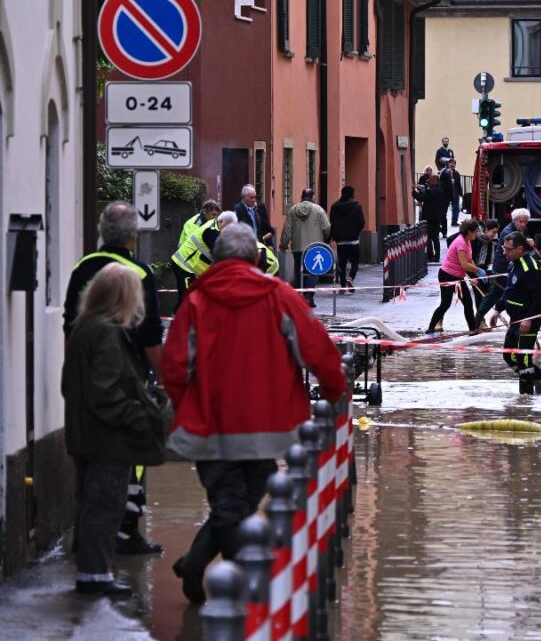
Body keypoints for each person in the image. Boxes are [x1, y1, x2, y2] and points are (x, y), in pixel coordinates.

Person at [163, 224, 346, 605]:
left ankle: (198, 567)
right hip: (268, 425)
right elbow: (315, 348)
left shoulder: (196, 300)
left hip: (210, 426)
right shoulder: (279, 295)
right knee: (239, 504)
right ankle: (243, 594)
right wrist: (333, 390)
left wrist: (187, 407)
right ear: (256, 258)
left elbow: (176, 366)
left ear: (216, 258)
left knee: (230, 504)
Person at [63, 201, 164, 556]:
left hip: (80, 379)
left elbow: (69, 326)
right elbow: (151, 336)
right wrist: (165, 384)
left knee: (88, 468)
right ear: (133, 235)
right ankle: (125, 530)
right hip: (126, 380)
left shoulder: (82, 268)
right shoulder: (136, 272)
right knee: (129, 460)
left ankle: (92, 542)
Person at [489, 231, 541, 394]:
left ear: (519, 249)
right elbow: (510, 291)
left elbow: (540, 298)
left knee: (524, 360)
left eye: (507, 249)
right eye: (504, 248)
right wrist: (498, 309)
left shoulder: (529, 267)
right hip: (515, 320)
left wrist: (529, 319)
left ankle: (526, 402)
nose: (504, 252)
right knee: (509, 356)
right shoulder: (513, 264)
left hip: (528, 321)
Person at [476, 209, 533, 328]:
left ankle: (513, 319)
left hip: (514, 266)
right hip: (502, 267)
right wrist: (527, 244)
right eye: (521, 221)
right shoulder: (508, 232)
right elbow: (518, 248)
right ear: (515, 220)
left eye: (525, 222)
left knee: (513, 292)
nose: (523, 224)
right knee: (494, 294)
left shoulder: (524, 229)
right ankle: (477, 320)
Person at [427, 219, 485, 334]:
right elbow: (464, 264)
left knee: (467, 302)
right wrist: (478, 270)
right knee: (445, 304)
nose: (477, 234)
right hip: (447, 275)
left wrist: (473, 276)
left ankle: (472, 329)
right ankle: (430, 328)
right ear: (469, 232)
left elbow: (469, 260)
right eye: (475, 232)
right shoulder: (461, 243)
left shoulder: (467, 241)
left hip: (457, 276)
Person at [281, 188, 331, 307]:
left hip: (298, 247)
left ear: (301, 197)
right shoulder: (318, 210)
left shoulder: (293, 210)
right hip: (314, 248)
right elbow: (327, 227)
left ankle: (300, 297)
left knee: (299, 272)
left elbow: (287, 229)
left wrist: (283, 244)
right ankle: (309, 297)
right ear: (313, 197)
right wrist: (325, 240)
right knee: (312, 273)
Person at [173, 201, 221, 307]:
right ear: (204, 211)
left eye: (217, 216)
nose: (215, 218)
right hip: (185, 263)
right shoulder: (193, 224)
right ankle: (178, 318)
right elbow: (193, 247)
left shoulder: (210, 226)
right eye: (213, 214)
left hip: (193, 266)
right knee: (186, 296)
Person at [329, 185, 366, 293]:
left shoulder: (335, 207)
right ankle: (351, 278)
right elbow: (361, 222)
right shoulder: (357, 206)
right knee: (355, 261)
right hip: (353, 239)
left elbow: (332, 222)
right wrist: (356, 231)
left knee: (342, 263)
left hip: (340, 241)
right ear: (351, 194)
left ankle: (343, 285)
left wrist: (334, 235)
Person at [413, 173, 448, 262]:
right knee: (435, 238)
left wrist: (413, 192)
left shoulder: (431, 191)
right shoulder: (439, 190)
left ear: (435, 180)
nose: (429, 180)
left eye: (431, 179)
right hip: (436, 218)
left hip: (429, 218)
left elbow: (421, 198)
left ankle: (430, 256)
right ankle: (437, 256)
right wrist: (423, 189)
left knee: (428, 238)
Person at [440, 157, 463, 227]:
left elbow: (458, 184)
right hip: (446, 194)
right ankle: (442, 222)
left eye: (453, 163)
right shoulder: (445, 172)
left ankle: (454, 221)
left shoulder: (457, 173)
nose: (452, 164)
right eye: (450, 163)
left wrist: (461, 193)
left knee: (456, 208)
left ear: (455, 164)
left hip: (455, 193)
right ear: (448, 164)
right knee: (444, 209)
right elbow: (441, 181)